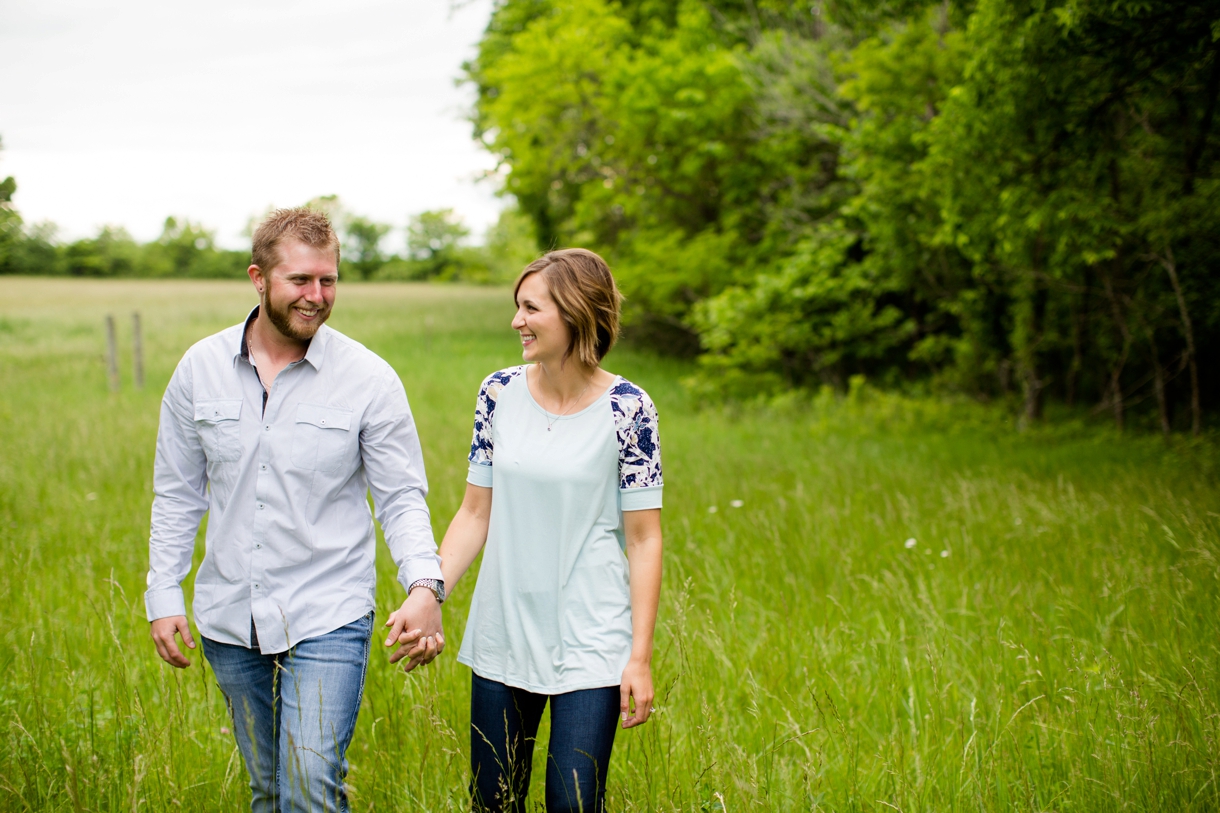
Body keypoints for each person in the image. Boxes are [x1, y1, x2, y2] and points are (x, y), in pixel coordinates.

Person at [145, 207, 446, 813]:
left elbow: (400, 496)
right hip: (230, 612)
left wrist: (425, 584)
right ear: (259, 278)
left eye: (328, 281)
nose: (316, 296)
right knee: (268, 788)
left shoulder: (369, 378)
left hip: (329, 607)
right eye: (300, 281)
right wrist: (164, 594)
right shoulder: (198, 370)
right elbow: (178, 492)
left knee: (309, 784)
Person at [394, 248, 664, 812]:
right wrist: (429, 590)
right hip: (504, 634)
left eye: (531, 308)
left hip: (592, 642)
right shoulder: (498, 393)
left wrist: (638, 657)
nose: (517, 321)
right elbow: (474, 514)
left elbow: (644, 539)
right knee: (493, 803)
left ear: (575, 313)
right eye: (517, 306)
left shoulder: (628, 409)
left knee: (571, 804)